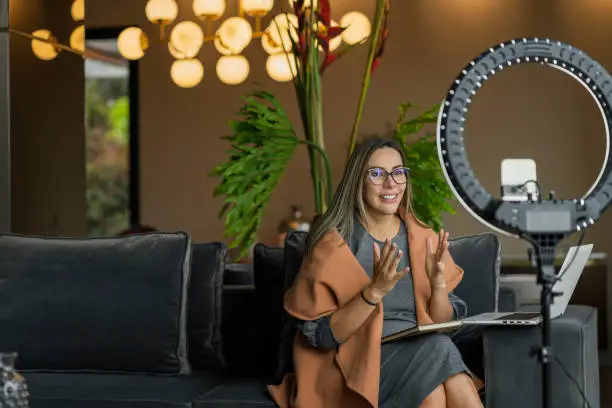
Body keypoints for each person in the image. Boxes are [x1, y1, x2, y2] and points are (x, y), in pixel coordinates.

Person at [267, 137, 484, 408]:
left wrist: (438, 285)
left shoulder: (423, 238)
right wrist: (374, 292)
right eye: (377, 174)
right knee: (438, 350)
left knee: (435, 391)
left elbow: (443, 323)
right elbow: (322, 337)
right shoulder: (334, 246)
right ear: (358, 181)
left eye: (398, 172)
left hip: (420, 353)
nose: (390, 183)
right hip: (355, 365)